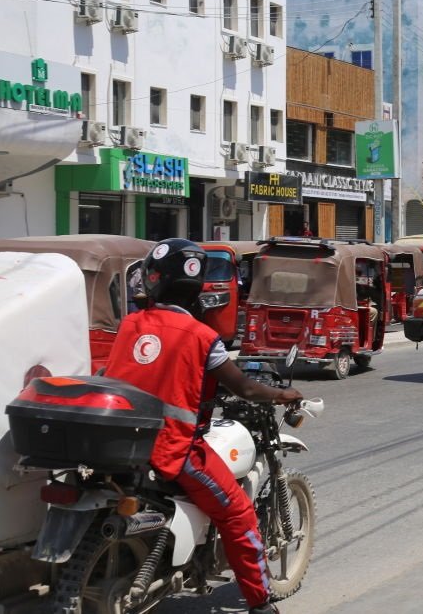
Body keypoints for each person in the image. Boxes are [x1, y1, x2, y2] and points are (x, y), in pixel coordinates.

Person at [104, 239, 303, 614]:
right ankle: (260, 604)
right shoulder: (202, 337)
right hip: (174, 450)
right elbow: (243, 387)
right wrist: (281, 394)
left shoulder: (130, 324)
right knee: (238, 513)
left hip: (121, 441)